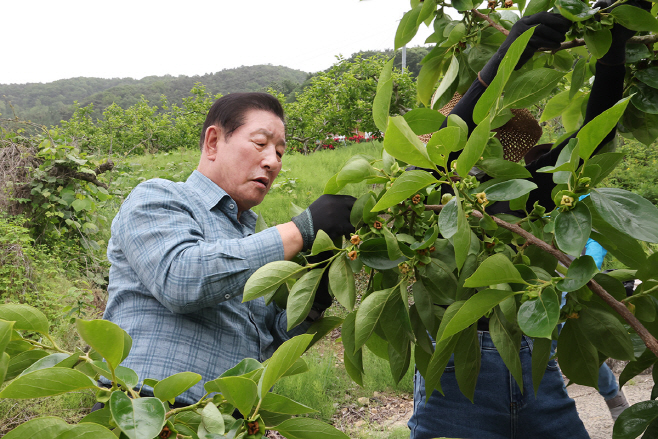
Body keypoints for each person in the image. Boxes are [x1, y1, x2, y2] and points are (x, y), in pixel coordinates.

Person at [408, 1, 648, 437]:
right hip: (454, 381)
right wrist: (504, 59)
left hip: (534, 363)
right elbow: (434, 158)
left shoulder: (522, 186)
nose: (479, 144)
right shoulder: (428, 190)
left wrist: (613, 55)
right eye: (472, 132)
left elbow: (591, 141)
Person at [101, 92, 355, 406]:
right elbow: (180, 279)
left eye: (279, 152)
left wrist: (312, 298)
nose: (273, 161)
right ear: (213, 142)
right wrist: (299, 231)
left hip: (227, 422)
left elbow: (265, 348)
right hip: (148, 413)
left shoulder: (253, 241)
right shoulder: (158, 198)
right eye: (261, 144)